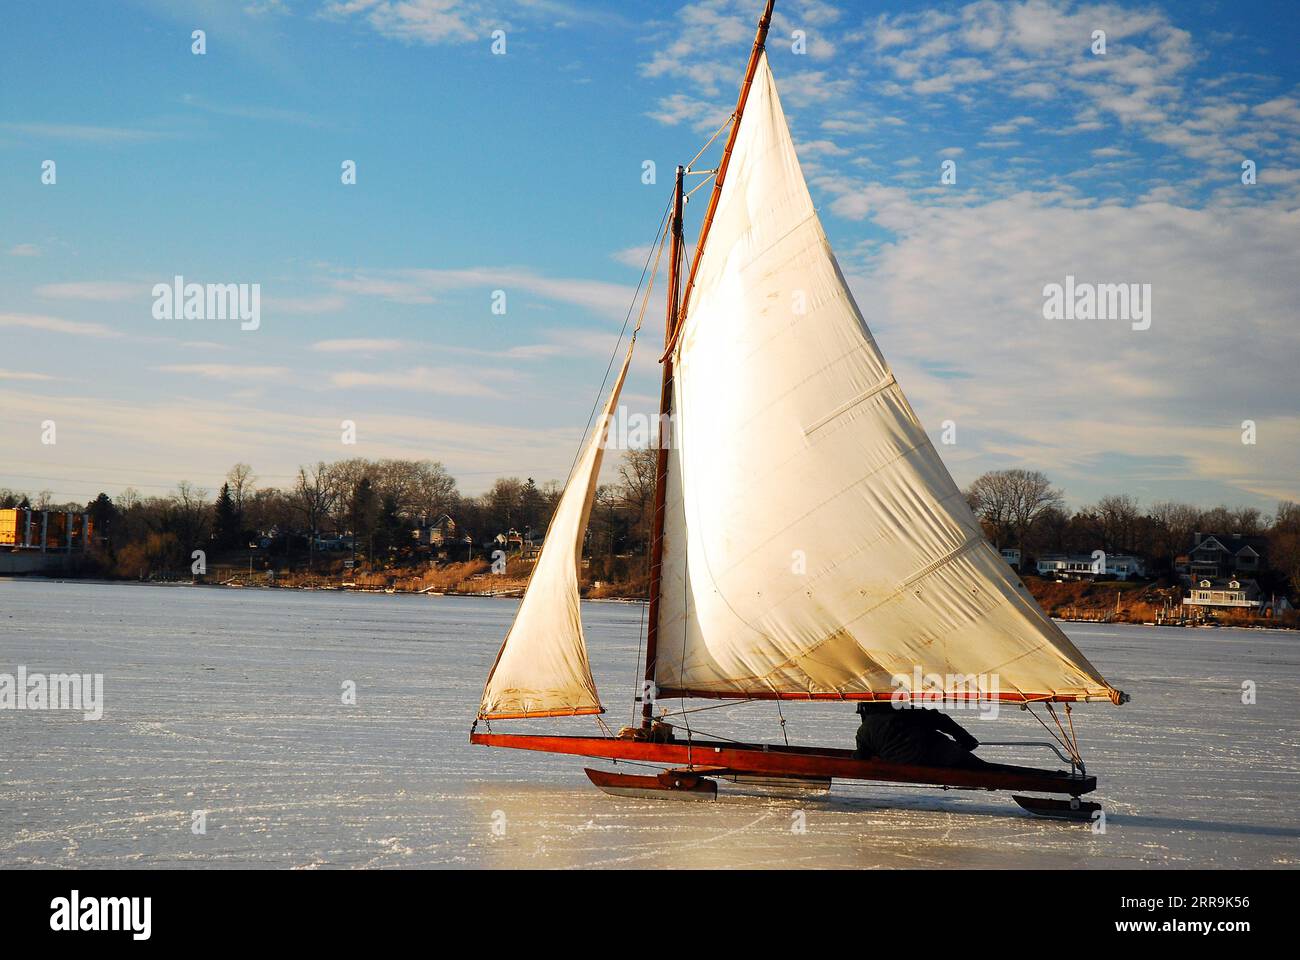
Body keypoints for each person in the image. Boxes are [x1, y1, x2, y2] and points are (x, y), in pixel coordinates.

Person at [853, 701, 989, 769]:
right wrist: (964, 737)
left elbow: (861, 757)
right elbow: (940, 720)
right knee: (980, 766)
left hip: (902, 764)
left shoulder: (863, 731)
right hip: (935, 755)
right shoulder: (906, 711)